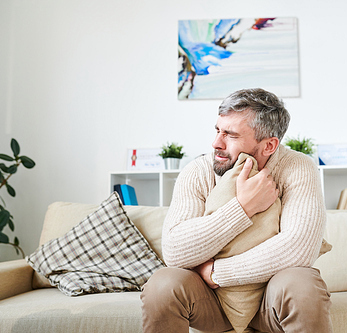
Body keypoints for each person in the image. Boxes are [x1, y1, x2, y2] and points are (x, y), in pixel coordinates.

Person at [140, 88, 332, 332]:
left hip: (270, 300)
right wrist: (243, 208)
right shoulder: (197, 171)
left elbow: (299, 248)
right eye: (218, 130)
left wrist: (217, 273)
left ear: (269, 145)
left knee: (303, 285)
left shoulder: (298, 167)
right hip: (210, 302)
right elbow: (175, 252)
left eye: (230, 135)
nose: (216, 143)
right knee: (162, 284)